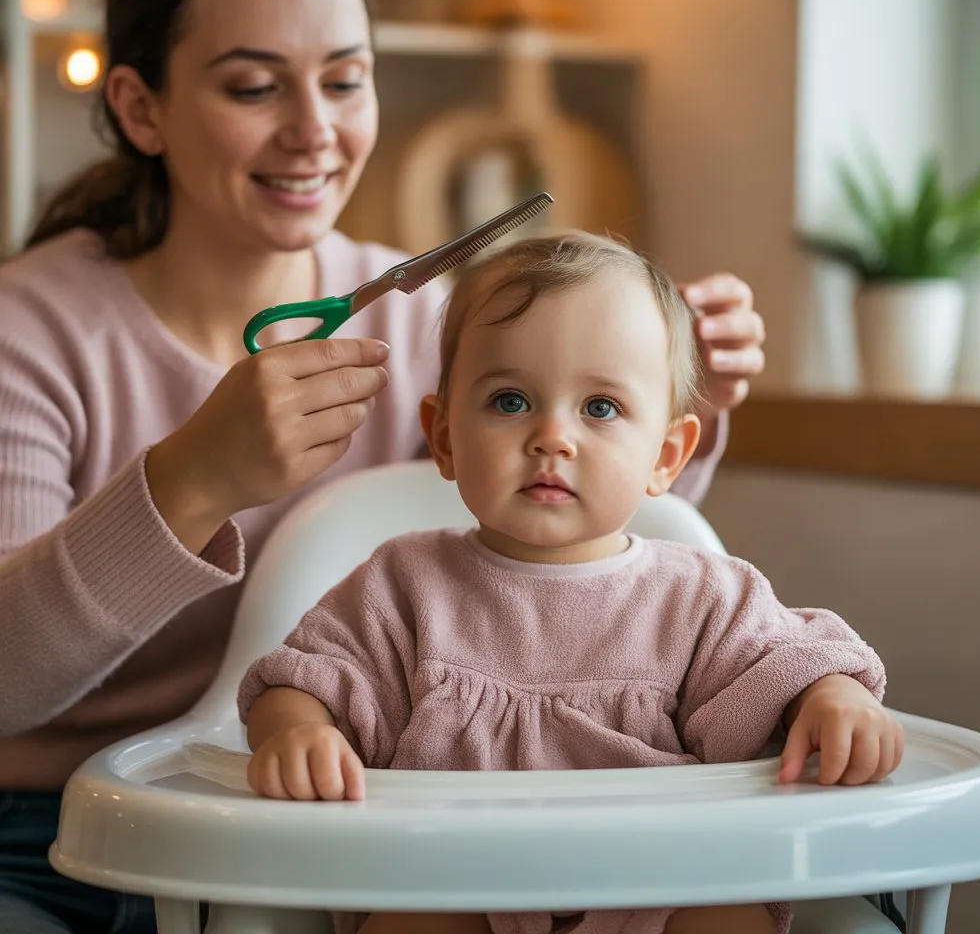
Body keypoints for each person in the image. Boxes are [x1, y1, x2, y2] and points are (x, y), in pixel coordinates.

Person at [0, 0, 765, 930]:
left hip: (312, 826)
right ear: (142, 106)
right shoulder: (29, 327)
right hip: (48, 832)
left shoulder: (419, 317)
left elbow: (543, 530)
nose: (313, 129)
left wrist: (679, 401)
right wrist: (191, 479)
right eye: (253, 84)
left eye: (346, 78)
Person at [240, 233, 903, 934]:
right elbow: (303, 681)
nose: (552, 436)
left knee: (730, 911)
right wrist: (297, 733)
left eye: (600, 409)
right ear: (442, 437)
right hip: (450, 883)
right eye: (510, 401)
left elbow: (794, 664)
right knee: (408, 919)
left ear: (667, 455)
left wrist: (833, 700)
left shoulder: (701, 594)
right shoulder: (402, 586)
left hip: (659, 884)